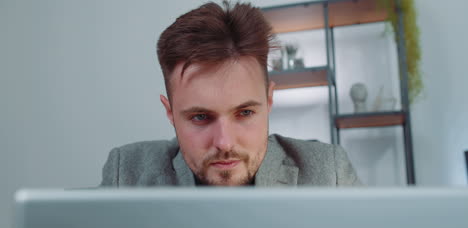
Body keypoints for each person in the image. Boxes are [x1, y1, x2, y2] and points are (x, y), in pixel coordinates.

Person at [100, 1, 362, 187]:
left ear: (269, 100)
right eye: (201, 117)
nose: (224, 143)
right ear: (170, 112)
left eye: (245, 112)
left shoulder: (328, 173)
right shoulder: (127, 173)